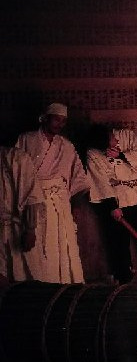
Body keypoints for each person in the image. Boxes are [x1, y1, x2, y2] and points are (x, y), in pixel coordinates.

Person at [16, 102, 90, 283]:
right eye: (57, 119)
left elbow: (79, 177)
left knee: (61, 245)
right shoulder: (26, 139)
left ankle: (64, 284)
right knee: (39, 245)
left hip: (60, 200)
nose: (60, 124)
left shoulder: (67, 146)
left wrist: (77, 204)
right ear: (45, 118)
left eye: (64, 121)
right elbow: (16, 170)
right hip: (34, 199)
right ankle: (40, 286)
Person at [86, 124, 137, 286]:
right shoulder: (93, 153)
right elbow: (101, 182)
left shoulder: (126, 135)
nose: (115, 140)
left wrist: (121, 155)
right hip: (118, 199)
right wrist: (112, 206)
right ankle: (124, 279)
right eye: (111, 140)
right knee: (118, 242)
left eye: (114, 137)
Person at [0, 139, 45, 285]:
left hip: (18, 229)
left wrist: (30, 229)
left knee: (26, 279)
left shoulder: (16, 157)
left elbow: (31, 195)